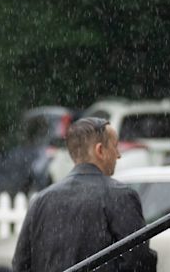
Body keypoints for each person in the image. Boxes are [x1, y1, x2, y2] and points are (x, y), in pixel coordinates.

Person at [12, 117, 157, 272]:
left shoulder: (41, 201)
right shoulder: (121, 196)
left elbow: (21, 264)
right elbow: (138, 261)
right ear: (100, 150)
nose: (119, 155)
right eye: (115, 146)